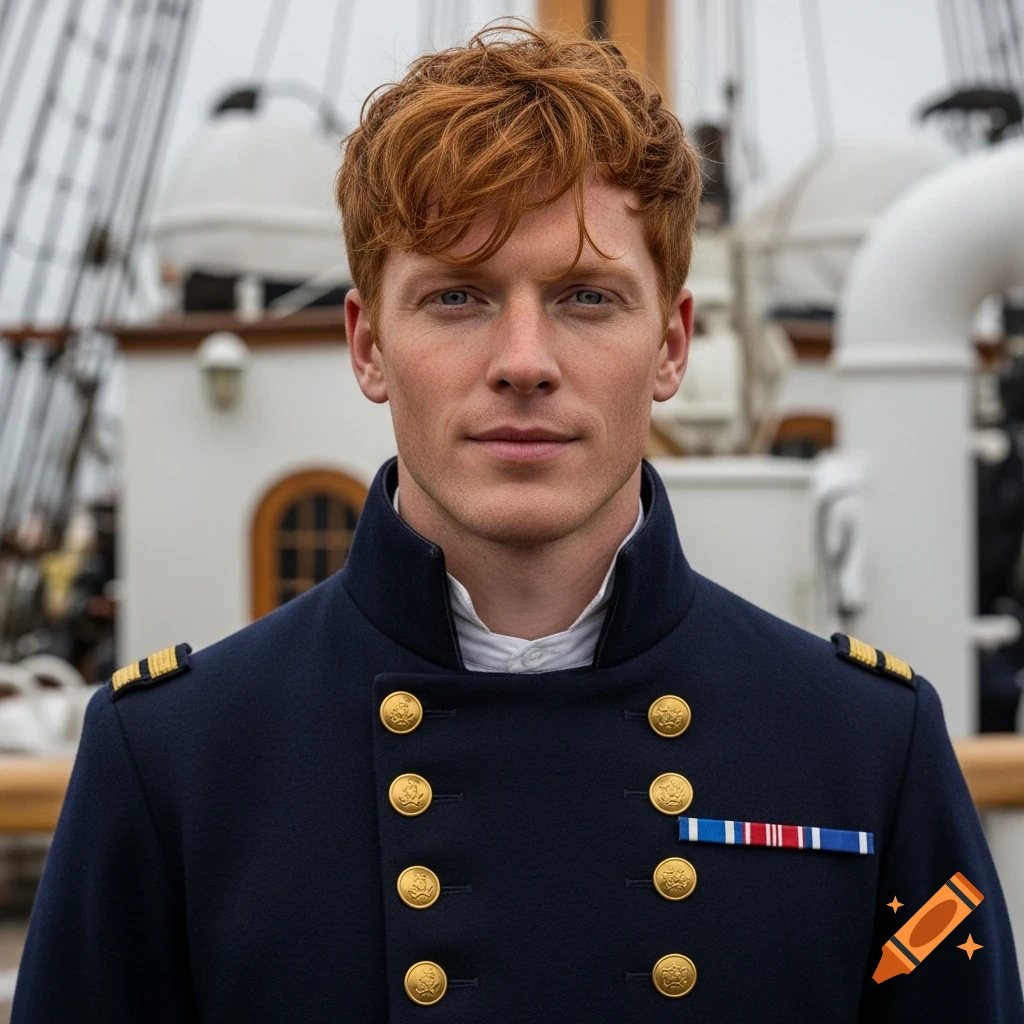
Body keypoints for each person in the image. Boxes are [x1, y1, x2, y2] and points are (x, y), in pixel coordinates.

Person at [13, 23, 1024, 1023]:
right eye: (457, 295)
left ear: (670, 343)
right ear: (368, 345)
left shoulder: (865, 748)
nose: (525, 359)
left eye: (586, 296)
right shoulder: (171, 762)